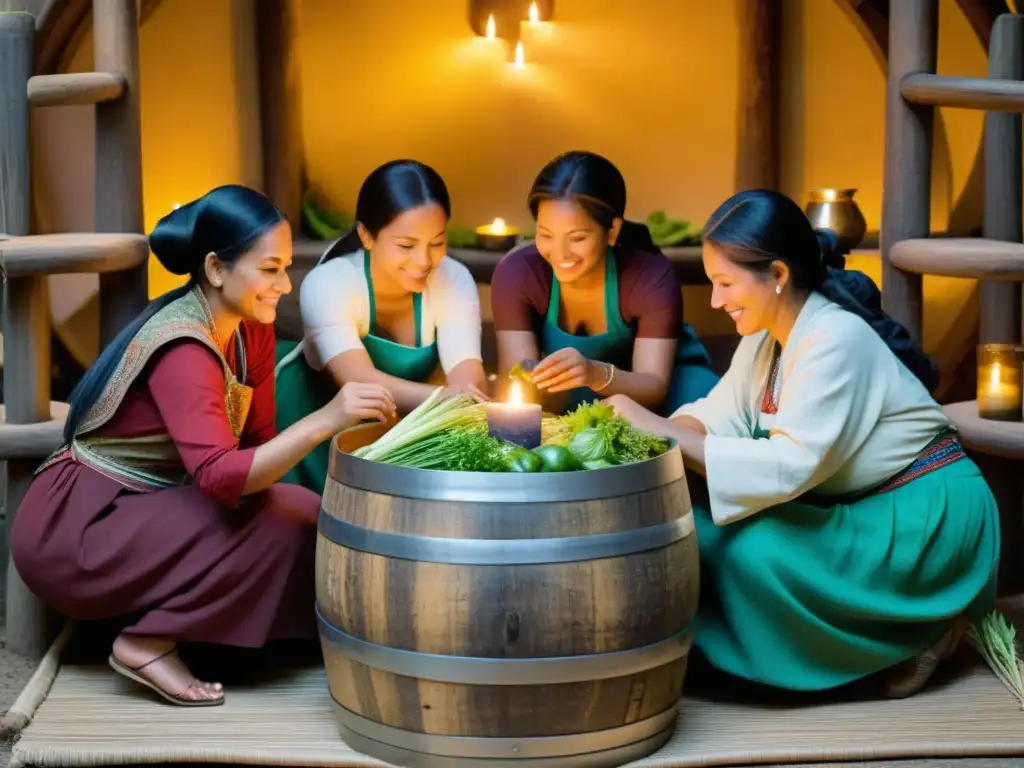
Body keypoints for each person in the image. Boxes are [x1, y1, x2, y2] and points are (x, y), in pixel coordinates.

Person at [605, 189, 1000, 697]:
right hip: (856, 505)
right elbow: (716, 416)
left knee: (752, 551)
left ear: (778, 275)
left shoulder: (835, 338)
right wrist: (645, 431)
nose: (716, 300)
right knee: (694, 532)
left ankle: (912, 637)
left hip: (923, 513)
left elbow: (790, 466)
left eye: (725, 283)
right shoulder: (766, 337)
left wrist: (653, 424)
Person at [11, 185, 396, 707]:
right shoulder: (184, 346)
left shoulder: (248, 330)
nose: (284, 284)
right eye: (269, 269)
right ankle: (146, 641)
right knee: (283, 518)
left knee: (301, 512)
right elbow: (219, 476)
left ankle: (216, 632)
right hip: (78, 527)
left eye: (286, 267)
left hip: (148, 505)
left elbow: (258, 443)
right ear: (216, 269)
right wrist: (328, 418)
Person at [274, 160, 487, 492]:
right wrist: (450, 397)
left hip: (396, 432)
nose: (425, 261)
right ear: (366, 235)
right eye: (406, 245)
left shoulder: (453, 277)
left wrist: (462, 394)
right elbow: (361, 382)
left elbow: (467, 375)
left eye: (437, 243)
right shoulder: (330, 282)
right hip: (307, 427)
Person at [490, 150, 718, 416]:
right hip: (569, 393)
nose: (560, 253)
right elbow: (518, 379)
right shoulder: (518, 272)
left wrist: (594, 373)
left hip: (666, 388)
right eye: (546, 234)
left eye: (577, 238)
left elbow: (654, 388)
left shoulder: (649, 275)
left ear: (612, 231)